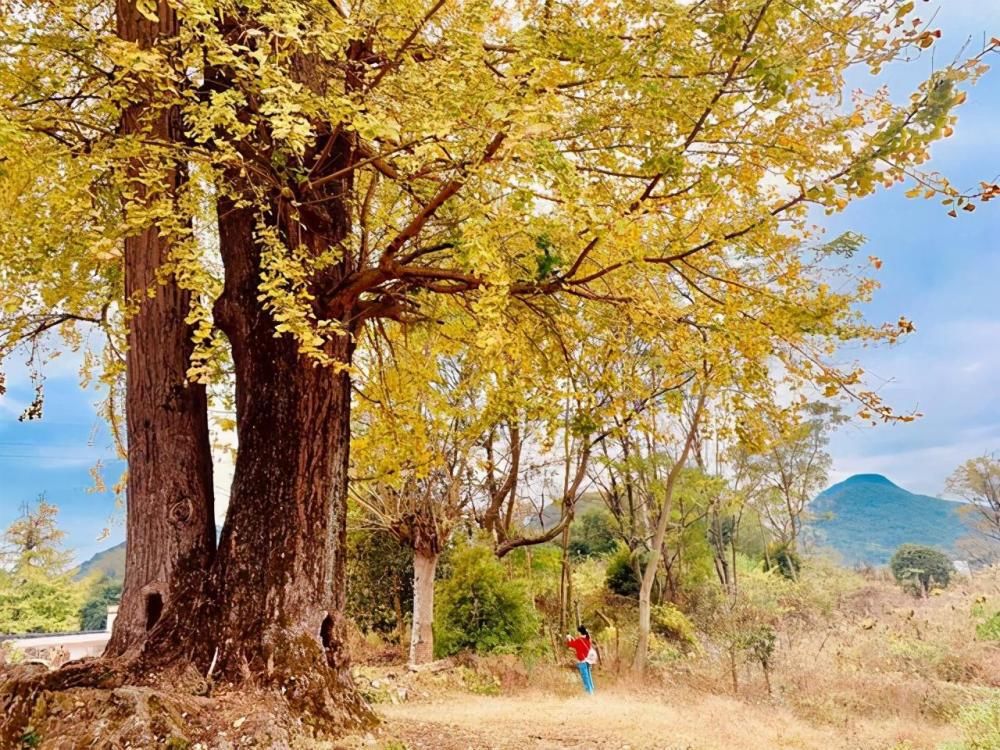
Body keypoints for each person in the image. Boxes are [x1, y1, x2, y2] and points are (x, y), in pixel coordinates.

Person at [565, 625, 596, 695]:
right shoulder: (588, 639)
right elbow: (578, 644)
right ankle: (592, 691)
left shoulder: (579, 640)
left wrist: (568, 638)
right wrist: (572, 638)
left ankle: (589, 694)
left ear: (579, 632)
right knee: (589, 676)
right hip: (588, 660)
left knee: (585, 678)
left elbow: (571, 644)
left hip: (582, 661)